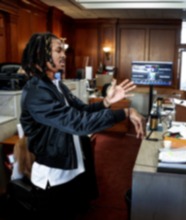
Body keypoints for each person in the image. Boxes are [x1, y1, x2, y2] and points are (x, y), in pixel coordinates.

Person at [18, 32, 144, 219]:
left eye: (63, 50)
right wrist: (124, 112)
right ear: (40, 55)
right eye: (58, 50)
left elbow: (83, 110)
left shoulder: (57, 85)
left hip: (71, 169)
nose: (63, 55)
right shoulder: (37, 91)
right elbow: (79, 123)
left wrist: (107, 102)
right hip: (52, 177)